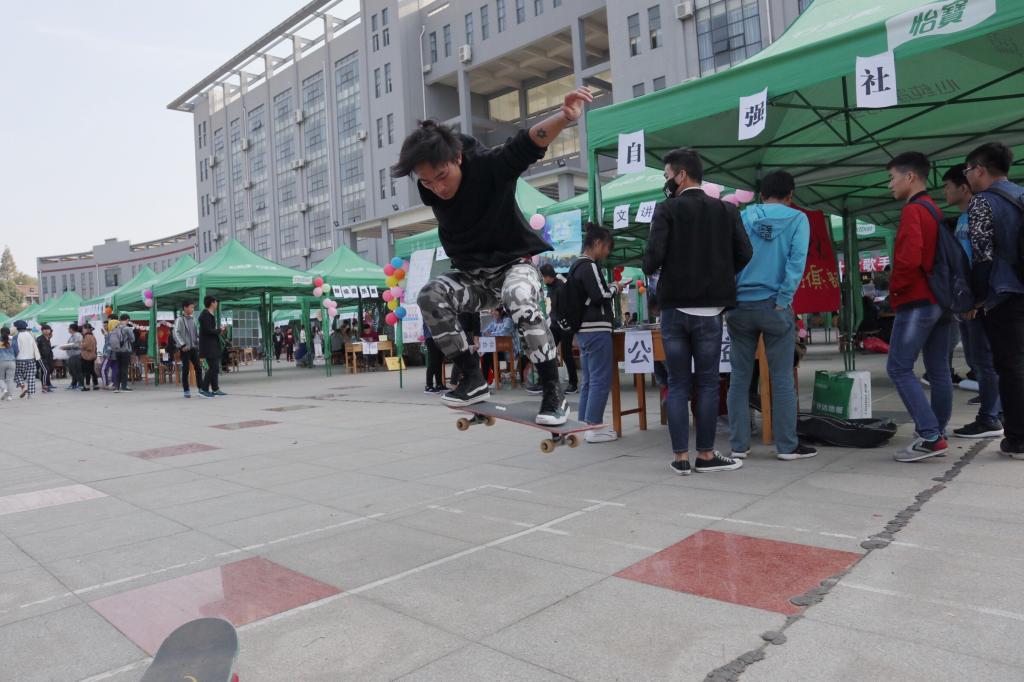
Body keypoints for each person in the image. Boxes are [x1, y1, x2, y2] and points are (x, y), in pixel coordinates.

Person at [397, 86, 594, 425]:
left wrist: (564, 116)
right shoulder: (429, 187)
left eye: (442, 177)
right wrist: (429, 182)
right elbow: (432, 181)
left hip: (513, 268)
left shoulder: (489, 167)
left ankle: (553, 390)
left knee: (517, 295)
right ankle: (472, 378)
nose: (438, 189)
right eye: (427, 183)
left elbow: (524, 145)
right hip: (472, 278)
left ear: (458, 159)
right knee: (429, 296)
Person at [643, 148, 753, 475]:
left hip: (674, 308)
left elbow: (651, 260)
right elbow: (745, 253)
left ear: (681, 175)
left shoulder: (666, 210)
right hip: (711, 309)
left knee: (677, 383)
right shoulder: (726, 211)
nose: (666, 181)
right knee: (707, 383)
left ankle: (680, 457)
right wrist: (719, 273)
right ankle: (706, 455)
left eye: (667, 175)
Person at [726, 170, 817, 461]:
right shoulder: (798, 219)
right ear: (790, 195)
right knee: (781, 378)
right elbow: (796, 262)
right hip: (774, 306)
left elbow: (729, 258)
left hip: (740, 305)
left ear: (761, 194)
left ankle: (739, 446)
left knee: (739, 378)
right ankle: (787, 446)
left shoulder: (743, 217)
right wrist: (783, 299)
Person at [885, 152, 952, 462]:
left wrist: (895, 291)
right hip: (940, 299)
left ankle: (930, 436)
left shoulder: (914, 210)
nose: (890, 185)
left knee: (898, 367)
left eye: (892, 178)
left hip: (917, 299)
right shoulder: (933, 209)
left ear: (909, 176)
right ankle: (937, 431)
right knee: (938, 370)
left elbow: (908, 259)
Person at [964, 142, 1024, 456]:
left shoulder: (982, 202)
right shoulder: (1021, 194)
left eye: (967, 170)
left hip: (1004, 294)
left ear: (980, 170)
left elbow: (982, 255)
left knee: (1010, 366)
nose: (966, 176)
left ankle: (1018, 438)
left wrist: (976, 298)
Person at [942, 163, 1003, 439]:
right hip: (968, 301)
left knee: (984, 361)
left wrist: (975, 301)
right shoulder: (963, 219)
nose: (944, 192)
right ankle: (995, 408)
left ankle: (990, 417)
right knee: (977, 360)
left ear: (964, 188)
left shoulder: (976, 216)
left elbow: (979, 261)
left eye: (947, 186)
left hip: (976, 303)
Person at [572, 224, 626, 443]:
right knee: (600, 379)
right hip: (596, 329)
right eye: (607, 247)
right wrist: (615, 287)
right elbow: (600, 295)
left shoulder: (575, 266)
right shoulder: (589, 266)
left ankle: (585, 424)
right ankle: (594, 427)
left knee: (589, 380)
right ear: (597, 243)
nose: (607, 252)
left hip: (583, 330)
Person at [540, 263, 578, 394]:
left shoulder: (561, 286)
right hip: (555, 323)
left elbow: (564, 308)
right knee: (548, 350)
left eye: (542, 277)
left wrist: (565, 323)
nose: (542, 280)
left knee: (566, 353)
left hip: (565, 324)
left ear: (547, 276)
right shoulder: (551, 286)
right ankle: (544, 382)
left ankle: (573, 383)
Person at [479, 306, 518, 385]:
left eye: (494, 311)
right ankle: (489, 381)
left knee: (490, 355)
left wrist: (490, 334)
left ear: (501, 311)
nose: (492, 313)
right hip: (499, 350)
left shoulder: (508, 321)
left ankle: (495, 379)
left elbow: (503, 333)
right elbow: (485, 332)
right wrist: (484, 333)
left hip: (510, 351)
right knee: (487, 355)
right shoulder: (494, 322)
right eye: (491, 311)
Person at [173, 299, 202, 398]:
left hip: (194, 347)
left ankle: (201, 388)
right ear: (185, 308)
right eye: (191, 307)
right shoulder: (180, 319)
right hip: (185, 349)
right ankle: (186, 390)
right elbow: (175, 333)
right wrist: (182, 345)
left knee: (198, 368)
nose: (192, 309)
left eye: (193, 307)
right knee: (185, 370)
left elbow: (195, 333)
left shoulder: (193, 319)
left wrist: (198, 342)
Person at [198, 295, 223, 397]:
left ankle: (215, 389)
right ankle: (203, 389)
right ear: (212, 303)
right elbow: (208, 330)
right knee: (213, 367)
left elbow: (210, 330)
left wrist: (218, 331)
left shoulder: (210, 314)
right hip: (208, 346)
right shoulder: (205, 315)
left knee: (215, 367)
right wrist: (219, 330)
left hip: (212, 345)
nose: (217, 304)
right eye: (216, 302)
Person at [12, 320, 41, 398]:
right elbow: (35, 346)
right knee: (31, 377)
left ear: (17, 327)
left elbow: (15, 349)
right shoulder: (31, 335)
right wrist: (37, 356)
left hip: (19, 360)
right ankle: (30, 395)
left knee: (17, 374)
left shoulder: (16, 336)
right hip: (31, 359)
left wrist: (13, 358)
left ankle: (23, 386)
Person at [108, 314, 135, 393]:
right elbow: (132, 339)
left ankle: (117, 386)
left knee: (118, 368)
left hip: (117, 350)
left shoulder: (115, 328)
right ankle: (124, 386)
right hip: (125, 350)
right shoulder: (127, 328)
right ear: (127, 320)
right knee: (124, 368)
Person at [423, 323, 444, 394]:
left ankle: (439, 384)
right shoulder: (426, 315)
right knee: (433, 362)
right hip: (431, 337)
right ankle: (429, 386)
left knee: (439, 361)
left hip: (440, 336)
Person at [62, 322, 84, 390]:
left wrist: (67, 347)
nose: (68, 329)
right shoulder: (72, 336)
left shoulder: (78, 335)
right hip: (72, 355)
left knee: (77, 370)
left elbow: (77, 345)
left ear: (71, 329)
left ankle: (81, 385)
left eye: (69, 328)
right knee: (72, 370)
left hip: (76, 355)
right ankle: (73, 384)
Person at [79, 323, 98, 391]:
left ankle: (87, 386)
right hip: (92, 355)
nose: (82, 330)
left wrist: (81, 344)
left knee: (87, 371)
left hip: (87, 356)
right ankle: (96, 384)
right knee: (92, 371)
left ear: (87, 329)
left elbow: (86, 346)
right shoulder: (92, 336)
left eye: (83, 329)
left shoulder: (87, 336)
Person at [36, 325, 54, 392]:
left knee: (47, 371)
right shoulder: (39, 339)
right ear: (42, 331)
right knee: (46, 371)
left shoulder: (48, 338)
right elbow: (36, 349)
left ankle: (46, 385)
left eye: (48, 329)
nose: (46, 331)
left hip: (48, 358)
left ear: (50, 330)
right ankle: (44, 387)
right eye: (44, 329)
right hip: (41, 358)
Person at [0, 326, 15, 401]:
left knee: (1, 378)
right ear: (9, 333)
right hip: (12, 362)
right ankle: (9, 396)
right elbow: (17, 350)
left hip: (1, 361)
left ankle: (4, 389)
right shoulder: (12, 339)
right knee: (10, 379)